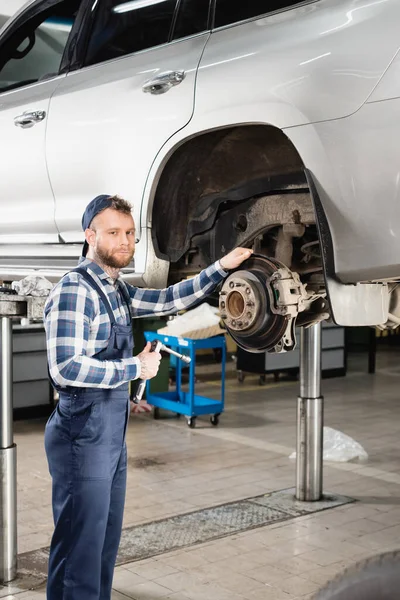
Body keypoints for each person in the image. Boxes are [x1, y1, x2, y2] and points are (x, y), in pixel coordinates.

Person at [43, 194, 252, 600]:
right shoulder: (75, 290)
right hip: (80, 435)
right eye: (113, 233)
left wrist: (219, 268)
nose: (125, 241)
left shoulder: (116, 290)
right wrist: (134, 368)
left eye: (130, 234)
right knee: (78, 549)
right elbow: (65, 368)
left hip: (109, 437)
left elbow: (168, 298)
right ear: (90, 236)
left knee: (102, 543)